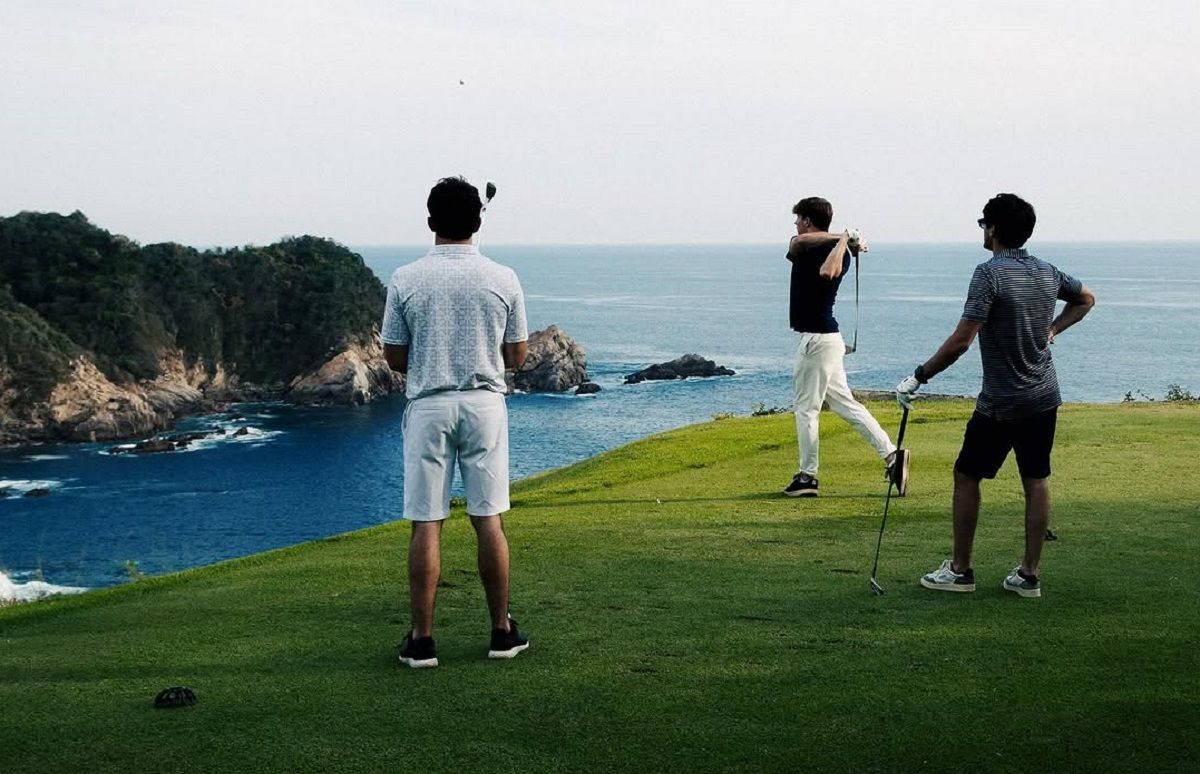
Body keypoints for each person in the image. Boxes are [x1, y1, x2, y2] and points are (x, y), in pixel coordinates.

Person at [896, 193, 1095, 598]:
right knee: (1036, 479)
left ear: (993, 229)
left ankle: (961, 571)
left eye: (984, 224)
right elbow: (1086, 298)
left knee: (967, 475)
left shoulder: (989, 274)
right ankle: (1029, 576)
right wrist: (1053, 329)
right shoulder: (1046, 271)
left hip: (1002, 402)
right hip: (1043, 396)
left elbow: (961, 341)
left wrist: (919, 376)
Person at [381, 176, 530, 667]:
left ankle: (422, 641)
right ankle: (501, 632)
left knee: (427, 521)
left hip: (428, 405)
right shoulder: (503, 277)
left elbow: (395, 358)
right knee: (489, 519)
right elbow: (518, 356)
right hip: (485, 404)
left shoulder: (406, 278)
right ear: (478, 221)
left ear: (430, 222)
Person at [784, 197, 908, 498]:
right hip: (824, 341)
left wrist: (842, 242)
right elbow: (796, 243)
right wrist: (843, 236)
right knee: (844, 403)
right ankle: (892, 456)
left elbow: (827, 273)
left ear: (807, 220)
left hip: (818, 340)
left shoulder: (839, 254)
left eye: (798, 218)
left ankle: (807, 477)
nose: (796, 225)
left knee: (806, 410)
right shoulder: (801, 245)